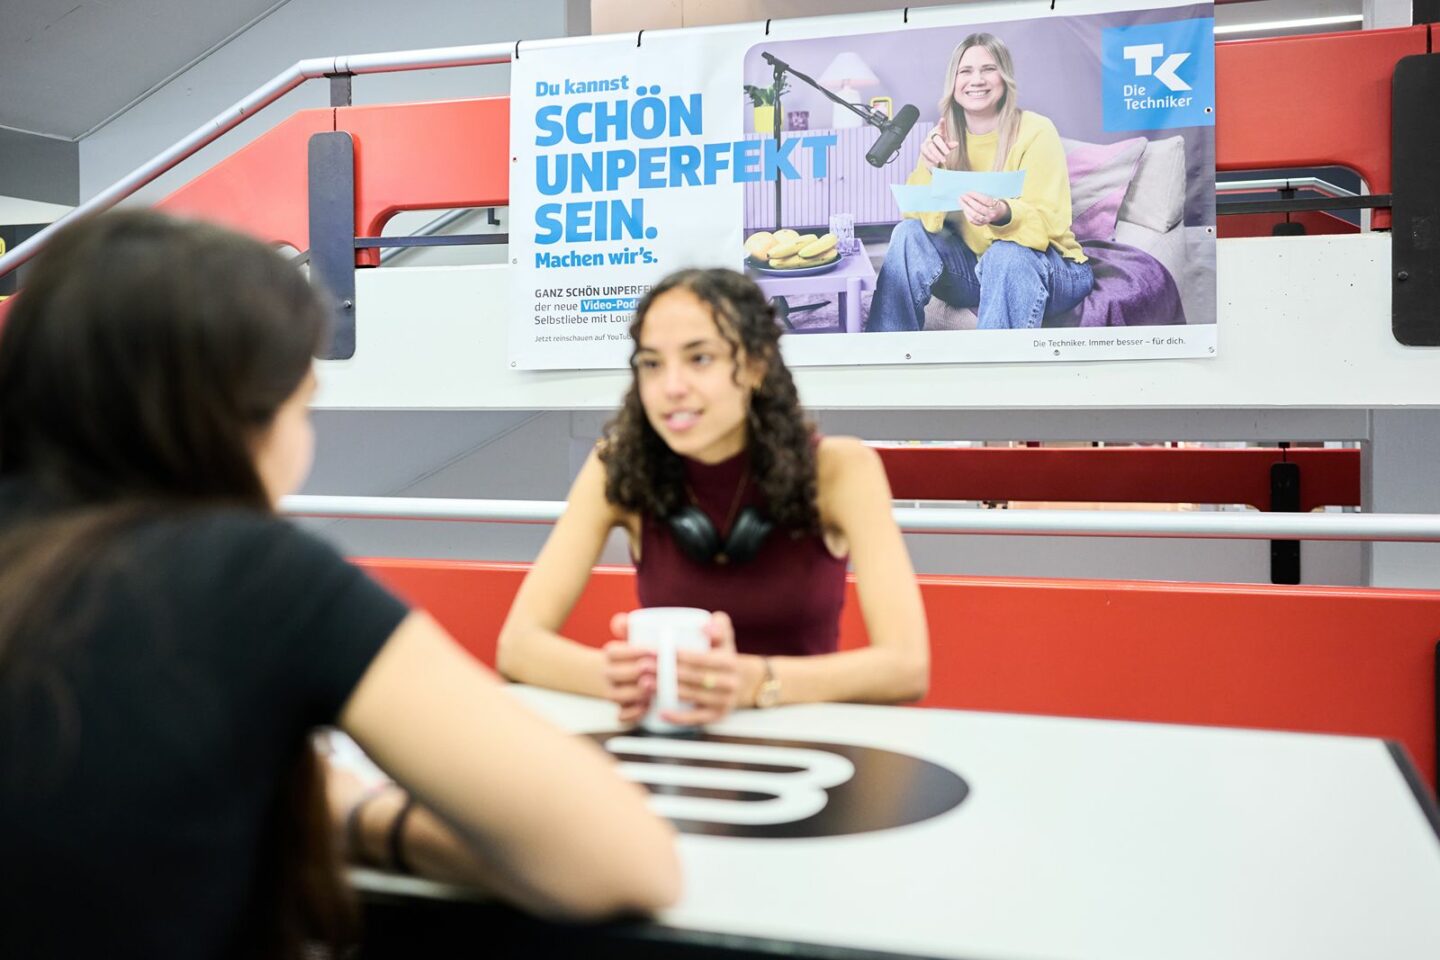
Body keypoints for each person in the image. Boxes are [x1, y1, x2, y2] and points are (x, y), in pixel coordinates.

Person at [0, 211, 679, 960]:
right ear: (236, 418)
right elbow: (626, 861)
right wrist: (355, 816)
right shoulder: (252, 575)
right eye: (305, 407)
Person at [498, 268, 928, 726]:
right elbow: (517, 646)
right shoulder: (619, 466)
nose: (671, 387)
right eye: (651, 363)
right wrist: (612, 677)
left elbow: (906, 667)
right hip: (672, 743)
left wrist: (757, 682)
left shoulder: (841, 470)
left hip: (803, 746)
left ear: (756, 365)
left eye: (699, 359)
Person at [866, 32, 1094, 332]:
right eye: (966, 71)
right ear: (954, 82)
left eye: (988, 69)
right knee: (907, 233)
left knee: (1005, 254)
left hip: (1052, 267)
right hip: (975, 269)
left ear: (1004, 77)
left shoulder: (1036, 130)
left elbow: (1051, 222)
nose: (977, 80)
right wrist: (930, 167)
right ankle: (887, 354)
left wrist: (1003, 213)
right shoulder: (944, 134)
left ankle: (996, 375)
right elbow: (919, 219)